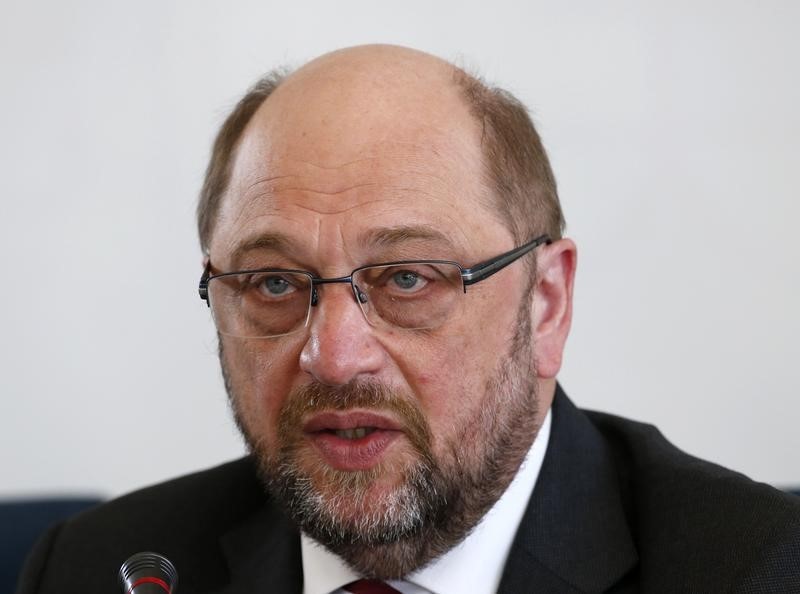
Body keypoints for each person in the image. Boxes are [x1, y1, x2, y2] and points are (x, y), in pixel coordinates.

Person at [17, 44, 800, 594]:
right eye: (275, 284)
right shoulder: (95, 567)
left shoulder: (757, 569)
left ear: (547, 303)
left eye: (405, 278)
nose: (334, 355)